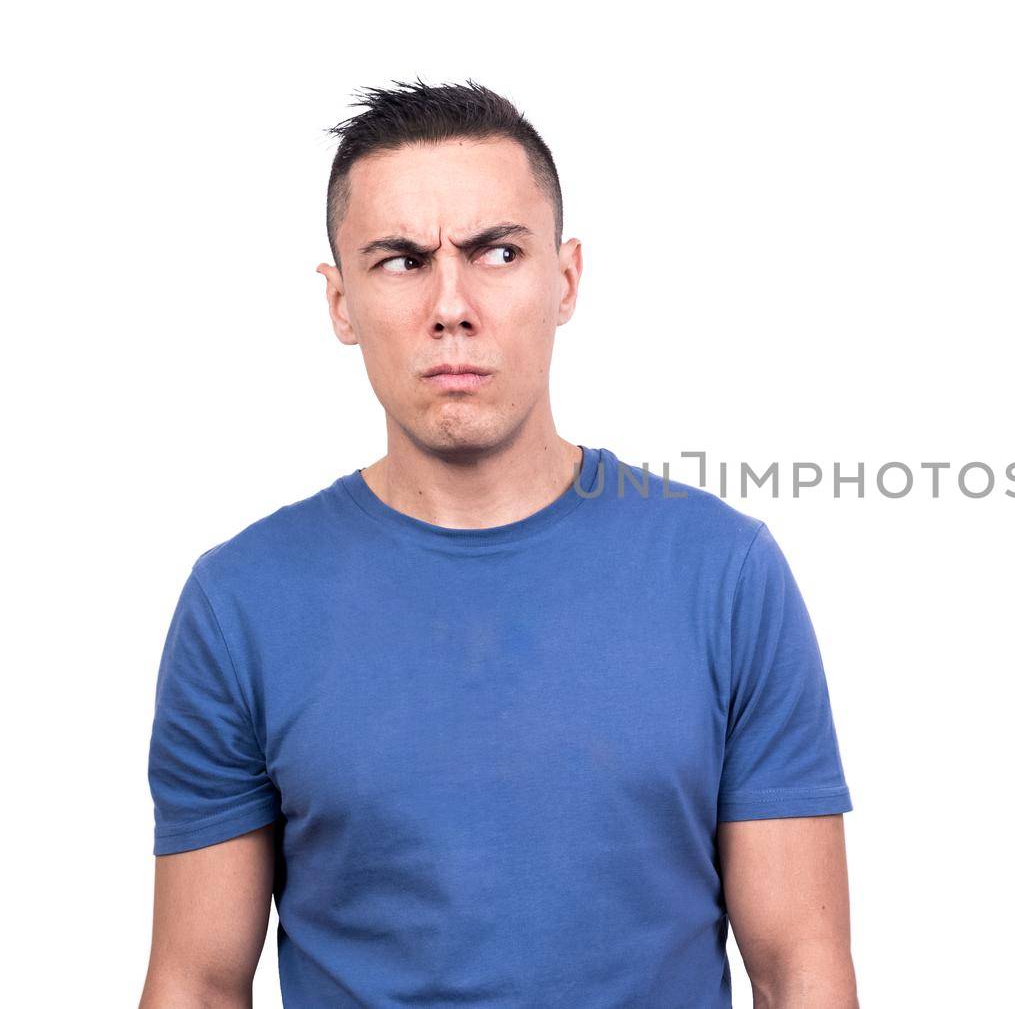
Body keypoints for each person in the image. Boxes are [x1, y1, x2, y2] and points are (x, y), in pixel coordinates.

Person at [140, 78, 858, 1008]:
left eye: (497, 253)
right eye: (400, 261)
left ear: (563, 280)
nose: (452, 306)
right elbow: (196, 983)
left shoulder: (724, 575)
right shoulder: (240, 604)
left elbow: (802, 967)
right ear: (340, 302)